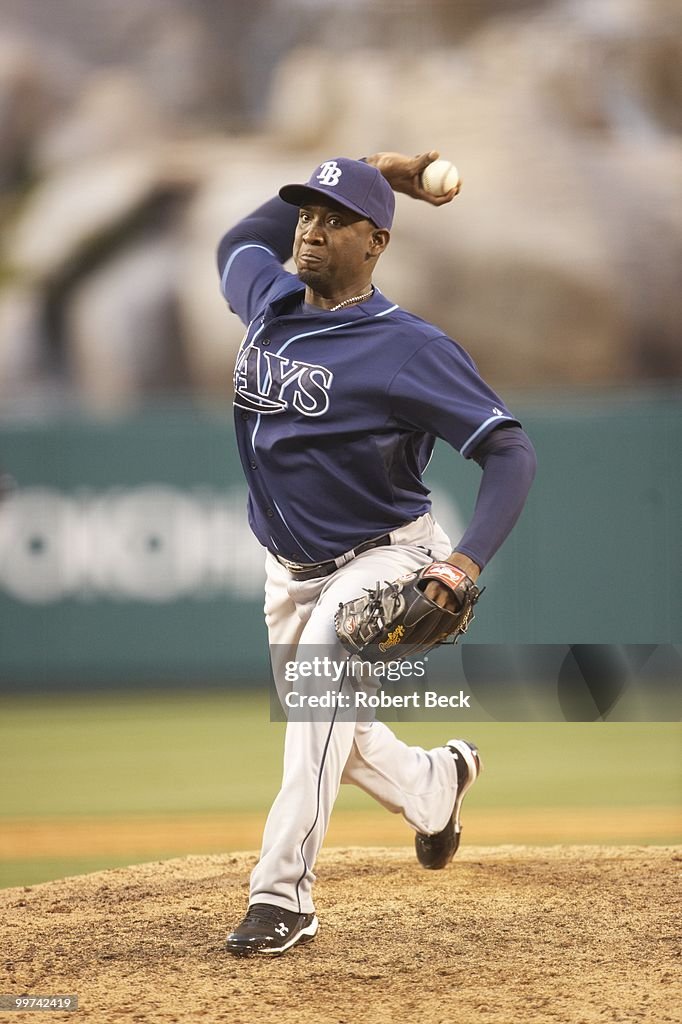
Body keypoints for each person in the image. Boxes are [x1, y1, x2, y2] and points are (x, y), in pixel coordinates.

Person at [217, 151, 536, 956]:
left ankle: (282, 896)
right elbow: (235, 244)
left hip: (382, 558)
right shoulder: (268, 298)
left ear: (377, 242)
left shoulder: (408, 348)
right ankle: (435, 786)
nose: (311, 232)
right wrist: (371, 167)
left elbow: (509, 452)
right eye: (306, 216)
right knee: (338, 733)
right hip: (287, 569)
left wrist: (461, 564)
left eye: (334, 220)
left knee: (322, 688)